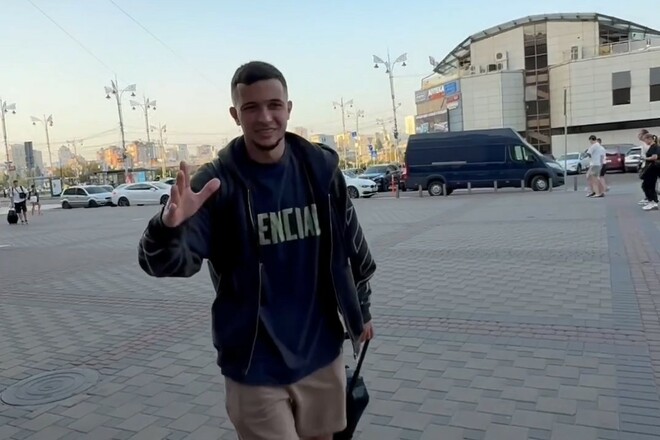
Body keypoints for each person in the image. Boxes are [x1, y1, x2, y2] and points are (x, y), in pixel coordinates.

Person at [138, 61, 376, 440]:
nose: (265, 117)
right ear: (236, 115)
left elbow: (353, 249)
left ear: (288, 109)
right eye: (251, 107)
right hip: (254, 364)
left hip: (322, 352)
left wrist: (360, 311)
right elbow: (169, 264)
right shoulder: (217, 184)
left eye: (274, 105)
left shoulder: (320, 169)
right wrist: (167, 228)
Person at [639, 133, 659, 211]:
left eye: (645, 140)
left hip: (652, 168)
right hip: (650, 168)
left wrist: (645, 158)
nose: (645, 142)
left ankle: (653, 201)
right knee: (647, 185)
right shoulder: (652, 147)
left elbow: (655, 157)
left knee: (649, 185)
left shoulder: (655, 147)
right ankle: (651, 201)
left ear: (649, 139)